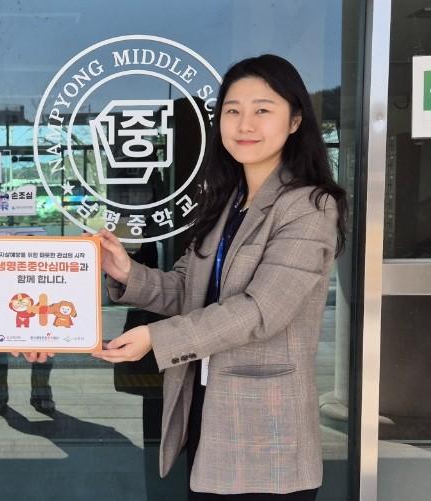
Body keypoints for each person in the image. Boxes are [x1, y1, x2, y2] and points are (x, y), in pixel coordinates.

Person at [94, 54, 347, 500]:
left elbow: (261, 311)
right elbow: (187, 291)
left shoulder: (309, 207)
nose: (244, 124)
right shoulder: (226, 201)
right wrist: (126, 271)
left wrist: (156, 338)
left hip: (265, 427)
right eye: (232, 110)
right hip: (205, 410)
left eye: (262, 109)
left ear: (295, 121)